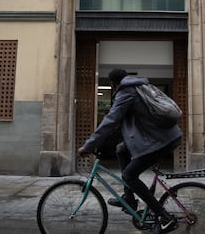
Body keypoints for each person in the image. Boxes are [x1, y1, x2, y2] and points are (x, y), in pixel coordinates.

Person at [78, 68, 182, 234]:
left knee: (129, 175)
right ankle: (129, 198)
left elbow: (111, 120)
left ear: (113, 84)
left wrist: (89, 145)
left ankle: (165, 217)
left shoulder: (126, 92)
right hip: (161, 137)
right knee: (121, 149)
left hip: (162, 141)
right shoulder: (137, 87)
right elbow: (122, 124)